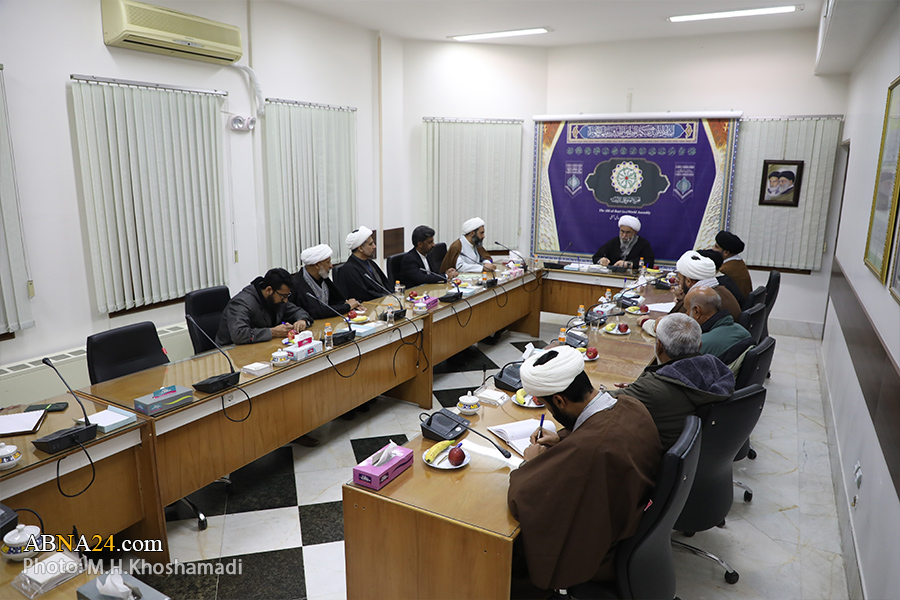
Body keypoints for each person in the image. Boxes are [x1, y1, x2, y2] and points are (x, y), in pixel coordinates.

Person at [508, 346, 661, 591]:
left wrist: (532, 462)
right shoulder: (630, 404)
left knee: (513, 548)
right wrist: (563, 440)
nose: (552, 413)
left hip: (606, 552)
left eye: (549, 407)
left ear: (559, 400)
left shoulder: (590, 449)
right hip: (636, 525)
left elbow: (525, 497)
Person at [611, 313, 735, 450]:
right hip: (700, 451)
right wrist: (639, 388)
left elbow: (600, 403)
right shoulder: (715, 367)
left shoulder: (652, 389)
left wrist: (640, 389)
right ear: (699, 345)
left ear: (659, 346)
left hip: (658, 456)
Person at [216, 268, 312, 346]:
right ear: (269, 290)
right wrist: (273, 332)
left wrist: (302, 320)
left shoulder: (277, 299)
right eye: (283, 296)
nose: (286, 300)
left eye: (287, 296)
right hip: (231, 351)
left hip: (260, 347)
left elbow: (297, 311)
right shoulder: (242, 302)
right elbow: (239, 334)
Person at [685, 285, 753, 367]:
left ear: (697, 311)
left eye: (686, 310)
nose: (686, 314)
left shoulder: (701, 344)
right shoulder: (742, 330)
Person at [290, 243, 360, 320]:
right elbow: (317, 312)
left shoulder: (323, 277)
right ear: (317, 265)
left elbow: (337, 300)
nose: (331, 266)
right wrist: (347, 306)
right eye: (328, 262)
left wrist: (351, 304)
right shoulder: (298, 284)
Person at [670, 250, 742, 321]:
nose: (678, 283)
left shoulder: (699, 299)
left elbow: (673, 327)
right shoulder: (721, 290)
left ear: (689, 281)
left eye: (679, 279)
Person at [336, 226, 390, 302]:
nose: (374, 246)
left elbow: (385, 284)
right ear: (360, 248)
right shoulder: (349, 270)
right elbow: (364, 295)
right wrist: (386, 297)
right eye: (371, 244)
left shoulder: (370, 263)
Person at [713, 230, 752, 298]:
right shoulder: (738, 262)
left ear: (726, 252)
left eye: (716, 247)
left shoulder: (725, 270)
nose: (713, 249)